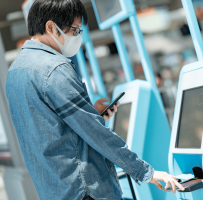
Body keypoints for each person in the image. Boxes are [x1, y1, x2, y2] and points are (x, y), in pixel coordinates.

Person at [5, 0, 184, 200]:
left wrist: (90, 113)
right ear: (50, 27)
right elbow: (95, 132)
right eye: (75, 30)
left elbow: (48, 130)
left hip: (54, 189)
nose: (77, 36)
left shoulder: (15, 72)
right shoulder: (55, 69)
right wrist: (146, 172)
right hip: (85, 190)